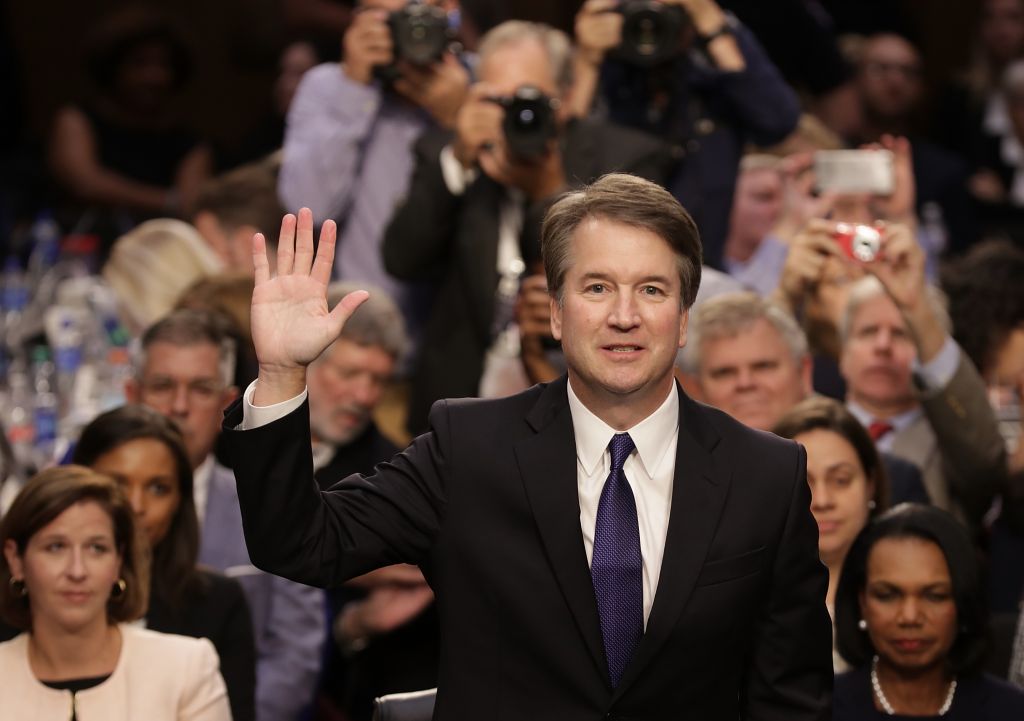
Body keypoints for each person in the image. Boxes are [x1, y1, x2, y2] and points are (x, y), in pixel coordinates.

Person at [224, 173, 833, 718]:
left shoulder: (767, 475)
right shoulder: (469, 449)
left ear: (683, 318)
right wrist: (281, 376)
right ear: (558, 314)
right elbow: (300, 545)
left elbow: (790, 699)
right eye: (597, 288)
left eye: (651, 290)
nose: (624, 315)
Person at [383, 20, 676, 434]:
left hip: (577, 405)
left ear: (568, 96)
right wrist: (457, 165)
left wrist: (547, 191)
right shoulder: (445, 152)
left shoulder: (625, 157)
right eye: (495, 99)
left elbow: (610, 269)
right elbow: (401, 259)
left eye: (529, 100)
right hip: (457, 406)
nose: (513, 116)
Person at [125, 311, 326, 721]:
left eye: (201, 389)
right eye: (163, 386)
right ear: (132, 394)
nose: (179, 407)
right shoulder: (86, 508)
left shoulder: (273, 506)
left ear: (225, 403)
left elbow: (295, 655)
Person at [279, 0, 470, 356]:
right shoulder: (327, 87)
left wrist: (457, 124)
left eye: (413, 15)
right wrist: (354, 88)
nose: (400, 31)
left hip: (452, 350)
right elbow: (310, 209)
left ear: (447, 9)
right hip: (354, 348)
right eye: (382, 16)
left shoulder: (483, 85)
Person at [570, 0, 801, 268]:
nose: (651, 20)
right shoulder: (605, 68)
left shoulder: (710, 61)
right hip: (604, 264)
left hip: (703, 271)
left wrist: (712, 25)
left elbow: (778, 122)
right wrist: (587, 63)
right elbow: (563, 163)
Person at [0, 465, 231, 719]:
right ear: (16, 560)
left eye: (97, 548)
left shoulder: (185, 668)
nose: (77, 571)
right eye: (56, 547)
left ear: (119, 561)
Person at [71, 406, 256, 721]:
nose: (136, 506)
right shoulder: (31, 601)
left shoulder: (218, 605)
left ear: (179, 502)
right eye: (116, 484)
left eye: (158, 488)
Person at [831, 222, 1007, 526]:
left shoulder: (952, 446)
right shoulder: (808, 432)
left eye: (902, 333)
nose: (883, 345)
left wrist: (916, 309)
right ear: (843, 354)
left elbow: (985, 462)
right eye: (869, 331)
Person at [832, 503, 1024, 719]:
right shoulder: (818, 707)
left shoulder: (1011, 710)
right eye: (887, 595)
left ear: (963, 601)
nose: (910, 617)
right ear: (862, 602)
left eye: (934, 596)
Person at [48, 8, 212, 251]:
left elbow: (191, 204)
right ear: (113, 68)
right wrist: (167, 200)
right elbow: (85, 183)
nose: (153, 76)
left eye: (163, 65)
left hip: (157, 256)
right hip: (82, 253)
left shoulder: (187, 142)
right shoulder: (77, 120)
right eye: (140, 63)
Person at [773, 396, 890, 670]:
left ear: (871, 485)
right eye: (803, 482)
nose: (823, 500)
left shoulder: (906, 590)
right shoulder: (740, 591)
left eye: (840, 480)